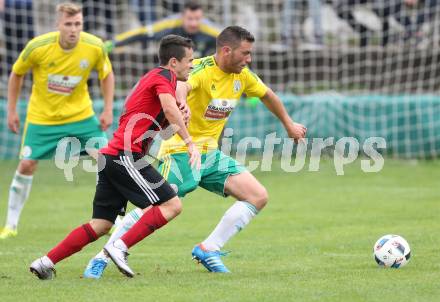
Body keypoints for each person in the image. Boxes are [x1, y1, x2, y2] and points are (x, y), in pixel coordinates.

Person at [83, 26, 307, 278]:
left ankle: (208, 249)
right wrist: (180, 104)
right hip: (180, 151)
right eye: (245, 53)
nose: (249, 59)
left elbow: (268, 95)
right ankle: (103, 255)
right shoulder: (198, 69)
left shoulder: (242, 76)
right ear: (226, 50)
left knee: (257, 196)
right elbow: (181, 87)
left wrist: (289, 124)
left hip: (210, 154)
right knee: (157, 204)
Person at [29, 34, 201, 280]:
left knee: (101, 224)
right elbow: (168, 109)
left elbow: (160, 129)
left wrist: (179, 121)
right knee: (171, 204)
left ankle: (45, 262)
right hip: (126, 156)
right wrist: (189, 141)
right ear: (173, 62)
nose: (192, 65)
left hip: (111, 157)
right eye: (190, 61)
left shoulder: (152, 81)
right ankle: (119, 246)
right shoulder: (164, 77)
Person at [0, 2, 114, 240]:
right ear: (58, 25)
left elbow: (107, 74)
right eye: (69, 24)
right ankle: (10, 225)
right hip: (43, 118)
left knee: (106, 159)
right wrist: (11, 111)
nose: (74, 29)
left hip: (81, 116)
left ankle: (109, 217)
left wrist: (108, 109)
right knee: (27, 164)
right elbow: (17, 73)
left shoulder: (94, 46)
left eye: (78, 24)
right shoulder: (38, 47)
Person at [105, 1, 220, 58]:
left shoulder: (210, 30)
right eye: (190, 19)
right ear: (182, 17)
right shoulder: (169, 24)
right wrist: (115, 42)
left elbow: (232, 40)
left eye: (197, 19)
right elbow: (141, 33)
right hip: (173, 70)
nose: (194, 23)